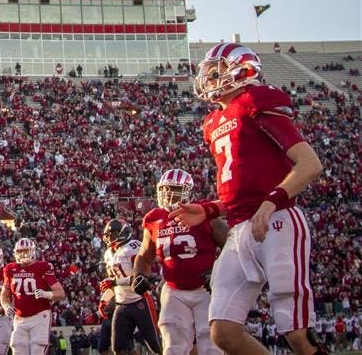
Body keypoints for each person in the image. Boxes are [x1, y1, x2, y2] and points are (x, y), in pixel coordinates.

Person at [171, 43, 326, 355]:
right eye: (209, 73)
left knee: (296, 332)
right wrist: (209, 209)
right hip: (240, 228)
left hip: (278, 220)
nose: (209, 78)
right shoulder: (213, 122)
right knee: (223, 332)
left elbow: (310, 164)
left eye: (217, 72)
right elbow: (241, 189)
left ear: (242, 70)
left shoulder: (255, 99)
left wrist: (271, 202)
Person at [133, 169, 228, 355]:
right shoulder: (154, 218)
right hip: (173, 289)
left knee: (209, 343)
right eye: (165, 189)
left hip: (205, 288)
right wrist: (139, 275)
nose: (168, 195)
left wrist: (218, 272)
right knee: (172, 345)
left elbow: (231, 247)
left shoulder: (204, 214)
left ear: (188, 192)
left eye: (174, 190)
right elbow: (145, 255)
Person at [100, 219, 162, 355]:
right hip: (121, 305)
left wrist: (115, 283)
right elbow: (113, 281)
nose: (110, 238)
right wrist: (105, 299)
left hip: (140, 300)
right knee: (119, 349)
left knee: (156, 345)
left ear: (123, 232)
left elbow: (141, 278)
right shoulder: (108, 254)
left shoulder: (133, 247)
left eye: (113, 234)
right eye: (109, 235)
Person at [0, 237, 66, 355]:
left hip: (40, 315)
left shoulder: (42, 266)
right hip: (19, 318)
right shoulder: (10, 269)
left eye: (25, 251)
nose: (22, 254)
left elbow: (60, 294)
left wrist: (45, 294)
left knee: (37, 349)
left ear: (32, 251)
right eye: (20, 251)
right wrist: (6, 306)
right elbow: (4, 296)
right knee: (18, 349)